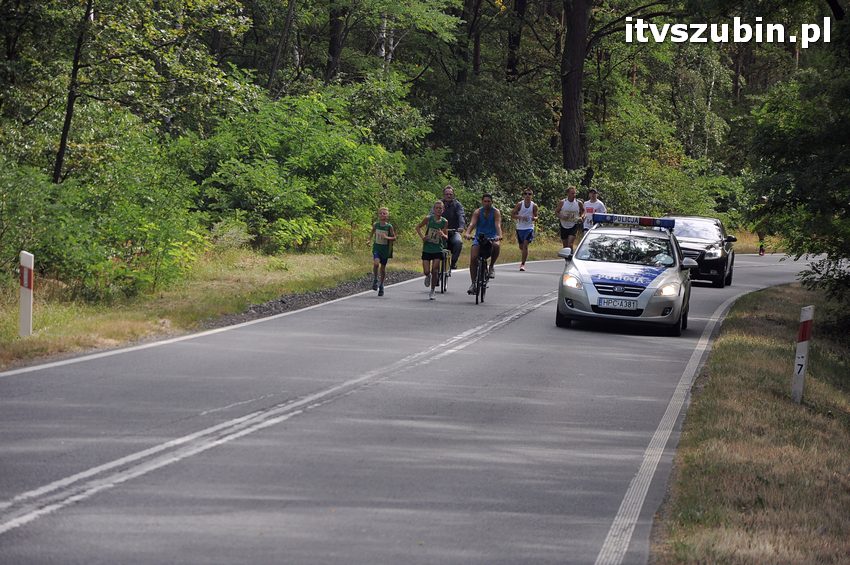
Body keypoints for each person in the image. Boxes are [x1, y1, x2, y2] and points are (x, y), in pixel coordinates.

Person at [464, 193, 503, 294]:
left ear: (492, 202)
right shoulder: (477, 212)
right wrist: (467, 233)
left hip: (491, 237)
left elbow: (498, 225)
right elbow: (472, 224)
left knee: (496, 245)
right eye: (485, 201)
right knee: (473, 258)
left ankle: (491, 266)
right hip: (479, 237)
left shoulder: (496, 212)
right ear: (482, 202)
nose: (486, 203)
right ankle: (473, 283)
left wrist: (499, 235)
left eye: (488, 201)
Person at [415, 201, 449, 300]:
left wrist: (442, 235)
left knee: (435, 269)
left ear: (443, 210)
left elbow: (446, 236)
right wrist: (423, 237)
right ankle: (427, 276)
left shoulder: (444, 221)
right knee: (426, 271)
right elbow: (418, 227)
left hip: (438, 248)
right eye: (437, 208)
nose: (438, 210)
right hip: (427, 248)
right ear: (434, 209)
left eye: (440, 208)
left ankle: (432, 290)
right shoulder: (428, 219)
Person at [368, 207, 396, 297]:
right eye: (381, 213)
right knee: (376, 264)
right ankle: (375, 279)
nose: (382, 215)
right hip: (377, 248)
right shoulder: (376, 225)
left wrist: (387, 237)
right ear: (378, 215)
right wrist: (368, 240)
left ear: (387, 216)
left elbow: (394, 237)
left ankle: (381, 285)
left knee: (383, 268)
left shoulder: (389, 226)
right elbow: (372, 233)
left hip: (385, 250)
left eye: (384, 213)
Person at [511, 188, 538, 271]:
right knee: (521, 246)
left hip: (529, 227)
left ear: (532, 196)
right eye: (526, 194)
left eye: (529, 194)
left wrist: (534, 218)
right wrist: (520, 217)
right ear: (523, 195)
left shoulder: (534, 206)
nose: (527, 195)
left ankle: (522, 264)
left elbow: (536, 217)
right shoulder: (520, 204)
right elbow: (512, 215)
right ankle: (525, 253)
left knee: (525, 245)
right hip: (520, 228)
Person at [441, 185, 466, 271]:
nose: (448, 196)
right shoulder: (439, 204)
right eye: (447, 194)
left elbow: (461, 216)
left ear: (453, 195)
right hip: (440, 232)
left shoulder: (457, 205)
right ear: (443, 195)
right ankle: (435, 265)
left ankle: (453, 262)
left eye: (450, 194)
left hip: (454, 232)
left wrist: (461, 227)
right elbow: (432, 214)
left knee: (458, 242)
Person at [555, 185, 584, 252]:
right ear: (568, 193)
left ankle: (571, 257)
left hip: (573, 225)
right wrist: (561, 216)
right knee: (565, 246)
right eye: (572, 193)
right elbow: (556, 212)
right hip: (563, 225)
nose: (574, 195)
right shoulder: (562, 202)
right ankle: (567, 257)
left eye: (574, 193)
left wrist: (581, 217)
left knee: (570, 244)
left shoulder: (578, 203)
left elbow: (583, 211)